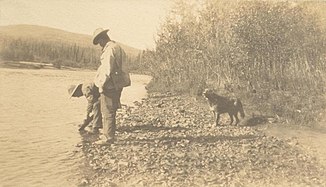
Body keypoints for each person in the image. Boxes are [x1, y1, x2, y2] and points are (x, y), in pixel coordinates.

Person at [92, 28, 131, 145]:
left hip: (110, 84)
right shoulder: (117, 47)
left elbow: (107, 69)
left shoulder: (109, 50)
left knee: (107, 110)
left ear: (102, 39)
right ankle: (109, 135)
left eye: (99, 42)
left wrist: (101, 85)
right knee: (111, 110)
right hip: (117, 83)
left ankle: (108, 138)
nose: (100, 45)